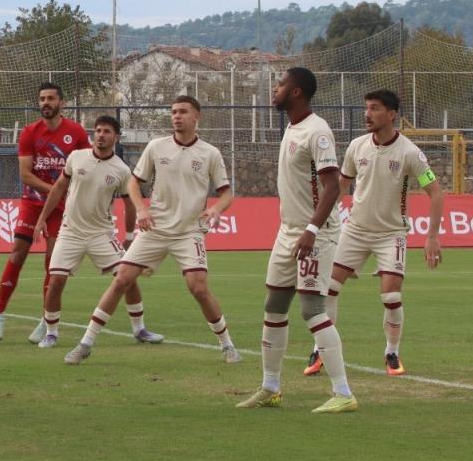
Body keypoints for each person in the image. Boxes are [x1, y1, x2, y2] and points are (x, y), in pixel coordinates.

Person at [66, 96, 238, 365]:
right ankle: (86, 342)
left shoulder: (210, 153)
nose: (176, 116)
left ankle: (227, 344)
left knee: (199, 288)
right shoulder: (157, 147)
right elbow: (134, 183)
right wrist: (142, 210)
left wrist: (217, 209)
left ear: (197, 117)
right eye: (173, 112)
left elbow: (227, 193)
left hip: (188, 232)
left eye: (183, 112)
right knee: (122, 279)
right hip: (154, 229)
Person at [237, 68, 357, 414]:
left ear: (296, 92)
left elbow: (332, 187)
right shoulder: (292, 128)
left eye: (280, 84)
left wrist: (312, 231)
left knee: (311, 308)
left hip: (315, 233)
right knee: (274, 306)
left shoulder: (318, 132)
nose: (274, 90)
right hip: (288, 230)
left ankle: (343, 392)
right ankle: (271, 387)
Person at [329, 89, 444, 376]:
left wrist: (431, 236)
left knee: (391, 296)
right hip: (354, 230)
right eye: (366, 108)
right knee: (327, 289)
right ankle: (322, 348)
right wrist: (319, 218)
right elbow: (342, 186)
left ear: (391, 115)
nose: (367, 114)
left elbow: (436, 193)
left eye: (375, 108)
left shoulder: (409, 152)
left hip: (391, 234)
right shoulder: (356, 146)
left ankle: (391, 352)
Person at [33, 116, 155, 348]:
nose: (101, 135)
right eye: (98, 130)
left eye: (106, 131)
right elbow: (59, 187)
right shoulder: (77, 157)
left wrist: (129, 236)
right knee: (56, 281)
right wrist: (42, 220)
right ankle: (51, 333)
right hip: (70, 232)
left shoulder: (121, 170)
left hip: (101, 234)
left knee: (126, 277)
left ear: (116, 137)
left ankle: (140, 329)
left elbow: (129, 204)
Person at [0, 83, 92, 343]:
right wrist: (56, 189)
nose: (46, 103)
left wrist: (69, 196)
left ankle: (46, 320)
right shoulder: (30, 132)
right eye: (42, 99)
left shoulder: (76, 133)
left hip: (61, 209)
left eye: (51, 98)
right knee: (17, 254)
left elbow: (86, 167)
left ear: (61, 103)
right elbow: (25, 174)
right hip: (33, 203)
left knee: (53, 263)